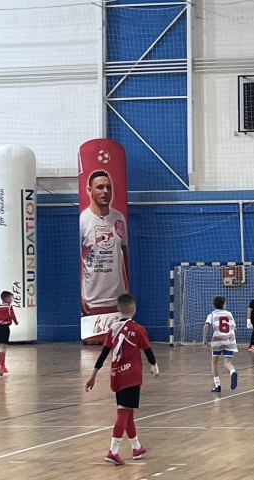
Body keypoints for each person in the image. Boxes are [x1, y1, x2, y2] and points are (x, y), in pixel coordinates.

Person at [85, 293, 159, 466]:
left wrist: (93, 375)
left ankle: (136, 447)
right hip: (131, 376)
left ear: (119, 309)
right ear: (134, 309)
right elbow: (148, 350)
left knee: (127, 412)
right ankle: (113, 451)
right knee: (124, 412)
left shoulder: (113, 329)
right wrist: (154, 365)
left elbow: (103, 354)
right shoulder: (138, 329)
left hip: (116, 375)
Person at [80, 170, 129, 316]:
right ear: (90, 190)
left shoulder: (119, 219)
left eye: (108, 187)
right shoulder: (83, 220)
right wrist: (79, 295)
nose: (105, 191)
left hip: (118, 301)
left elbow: (126, 254)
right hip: (91, 302)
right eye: (100, 187)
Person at [203, 296, 238, 393]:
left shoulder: (212, 314)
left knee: (214, 362)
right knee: (227, 363)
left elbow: (206, 326)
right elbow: (234, 328)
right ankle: (232, 371)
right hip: (229, 340)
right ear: (223, 305)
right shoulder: (229, 314)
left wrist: (204, 340)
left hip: (217, 340)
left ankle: (217, 385)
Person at [0, 291, 18, 376]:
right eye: (11, 298)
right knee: (4, 347)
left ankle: (3, 366)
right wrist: (16, 322)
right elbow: (12, 315)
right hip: (4, 327)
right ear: (7, 298)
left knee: (2, 346)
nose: (12, 299)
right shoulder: (9, 307)